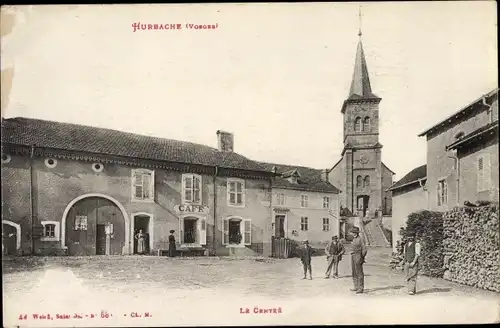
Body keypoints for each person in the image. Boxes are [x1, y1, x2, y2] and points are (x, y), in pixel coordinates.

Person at [349, 226, 367, 294]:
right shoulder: (354, 239)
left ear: (355, 233)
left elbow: (364, 249)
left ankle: (360, 288)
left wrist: (362, 257)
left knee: (359, 272)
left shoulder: (360, 239)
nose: (351, 233)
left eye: (352, 232)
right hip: (353, 256)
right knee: (354, 272)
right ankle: (356, 286)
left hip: (358, 256)